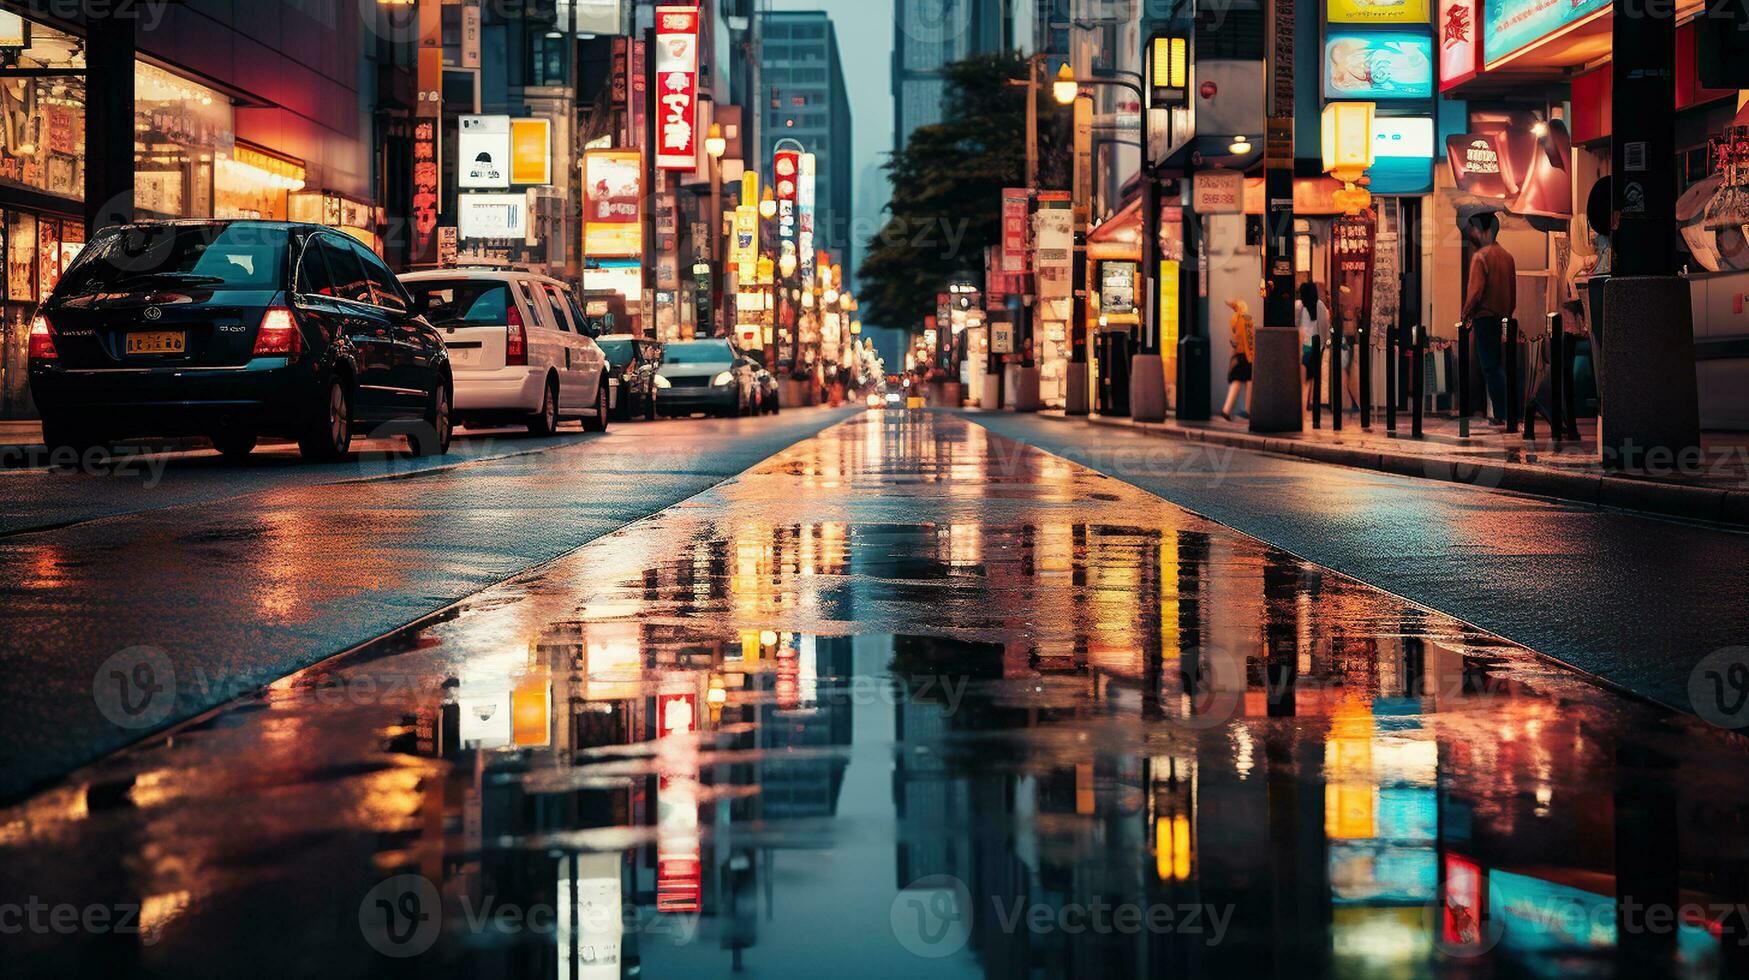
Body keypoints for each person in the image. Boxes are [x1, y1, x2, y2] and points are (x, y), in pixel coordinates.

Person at [1462, 210, 1517, 424]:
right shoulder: (1508, 257)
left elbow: (1475, 292)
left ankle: (1502, 414)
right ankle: (1507, 412)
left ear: (1484, 230)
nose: (1472, 232)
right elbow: (1513, 295)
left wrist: (1465, 312)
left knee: (1490, 367)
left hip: (1484, 318)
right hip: (1503, 318)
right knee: (1500, 366)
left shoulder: (1480, 257)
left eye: (1474, 228)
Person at [1297, 282, 1330, 411]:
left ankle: (1304, 403)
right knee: (1312, 376)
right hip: (1316, 345)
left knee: (1305, 376)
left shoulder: (1299, 306)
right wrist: (1325, 341)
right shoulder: (1320, 306)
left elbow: (1296, 324)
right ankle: (1308, 402)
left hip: (1303, 344)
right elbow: (1324, 326)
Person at [1221, 298, 1254, 421]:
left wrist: (1232, 357)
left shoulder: (1235, 320)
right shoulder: (1248, 319)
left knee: (1238, 381)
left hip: (1240, 355)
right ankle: (1246, 409)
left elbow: (1235, 341)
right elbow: (1250, 338)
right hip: (1248, 356)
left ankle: (1227, 409)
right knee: (1247, 381)